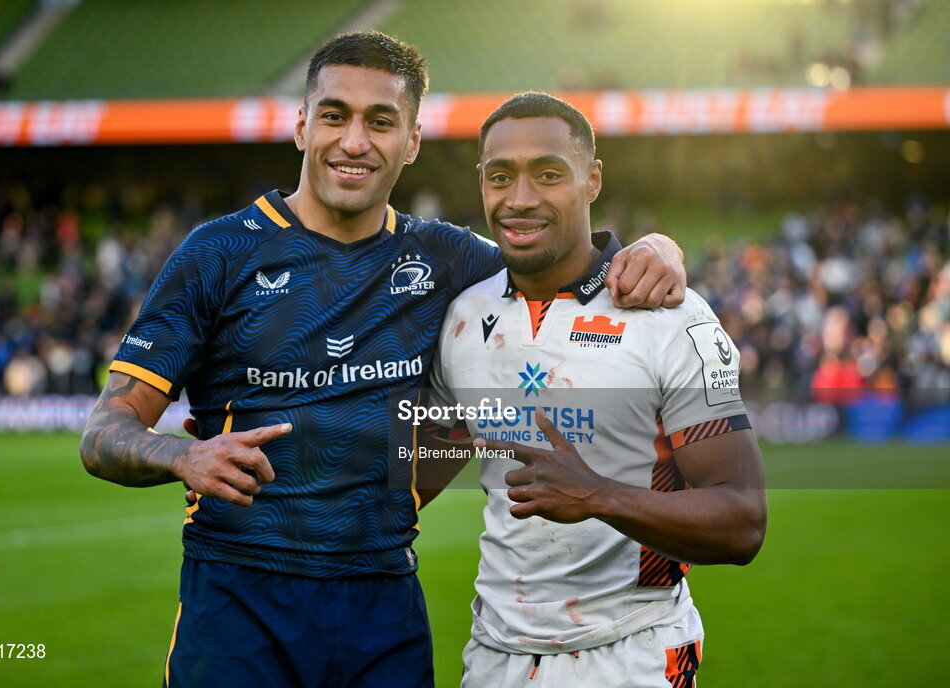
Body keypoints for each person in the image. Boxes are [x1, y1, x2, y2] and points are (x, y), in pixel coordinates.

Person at [79, 33, 688, 688]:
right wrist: (181, 455)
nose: (354, 141)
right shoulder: (216, 255)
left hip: (382, 605)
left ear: (413, 140)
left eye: (381, 121)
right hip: (237, 600)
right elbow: (104, 433)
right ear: (302, 126)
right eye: (335, 116)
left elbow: (579, 267)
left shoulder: (451, 260)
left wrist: (659, 247)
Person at [423, 92, 767, 688]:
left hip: (627, 654)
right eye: (499, 175)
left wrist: (600, 496)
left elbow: (742, 521)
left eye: (549, 174)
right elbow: (413, 477)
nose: (520, 198)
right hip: (492, 657)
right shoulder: (462, 316)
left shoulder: (671, 318)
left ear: (592, 180)